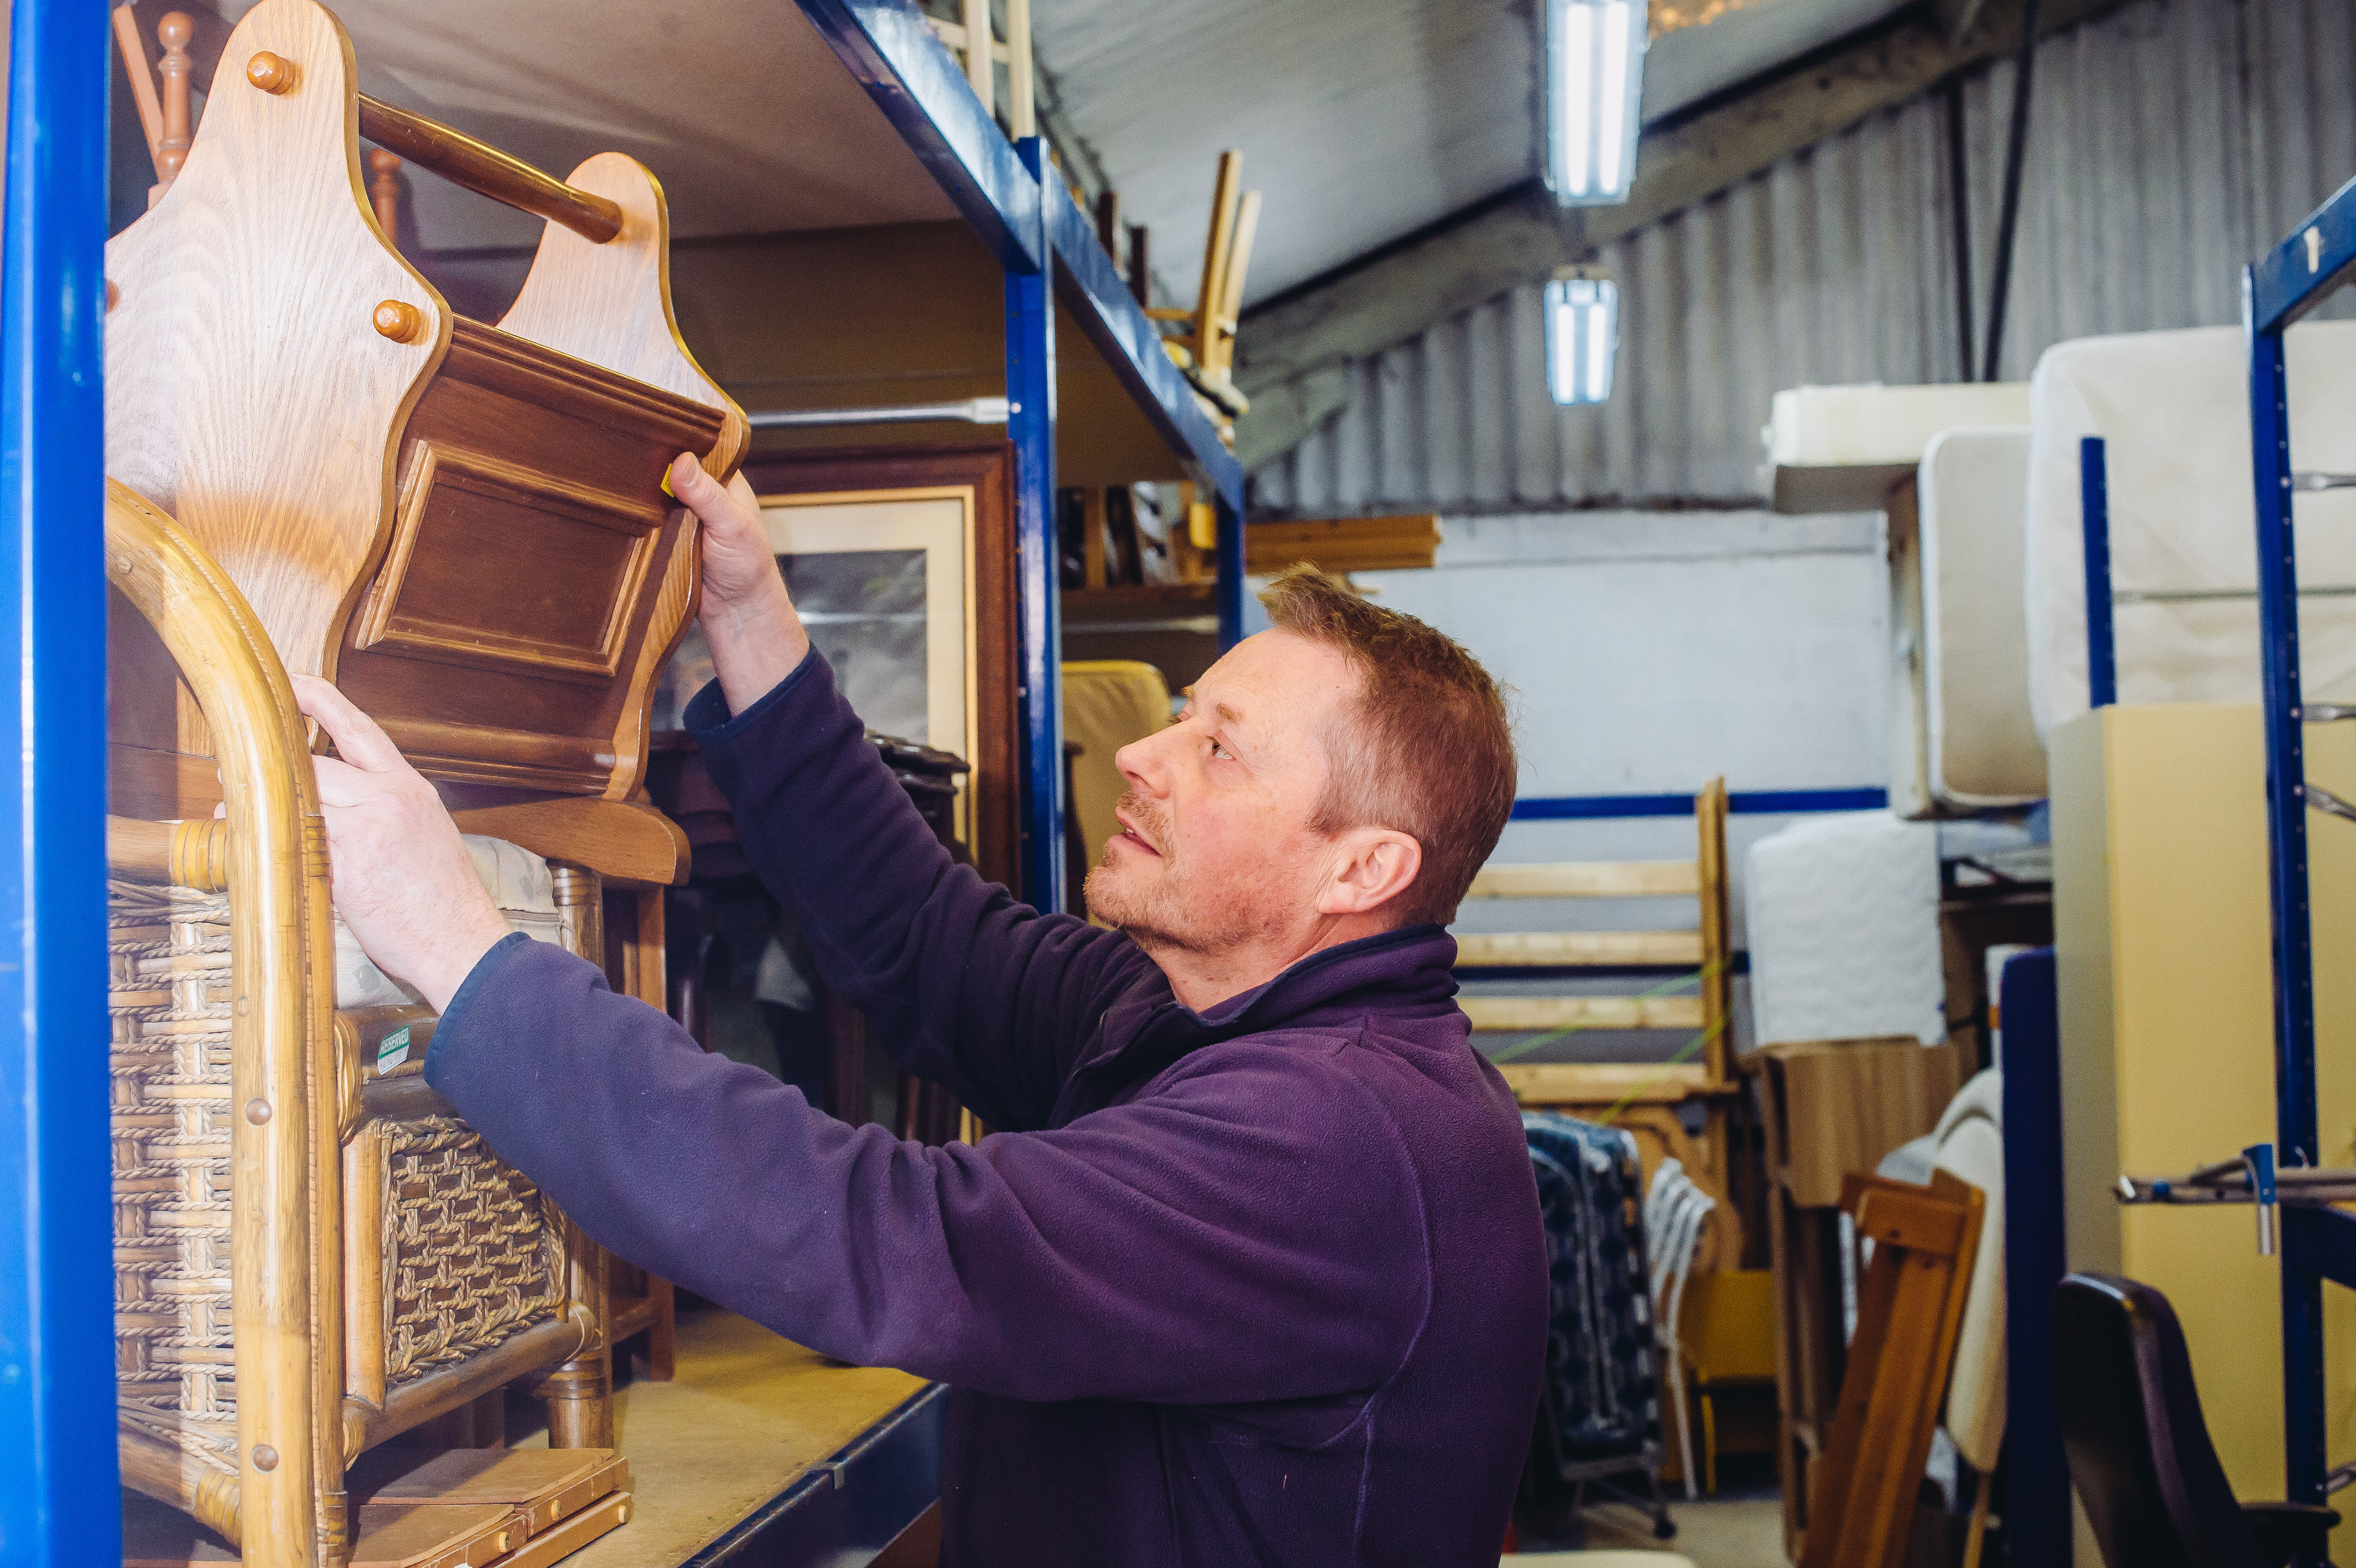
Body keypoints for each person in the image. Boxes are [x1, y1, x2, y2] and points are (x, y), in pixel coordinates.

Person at [292, 454, 1548, 1567]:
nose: (1143, 756)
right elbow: (926, 935)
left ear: (1363, 870)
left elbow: (890, 1236)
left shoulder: (1342, 1139)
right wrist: (747, 614)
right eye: (1181, 716)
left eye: (1220, 748)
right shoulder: (1194, 1007)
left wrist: (463, 949)